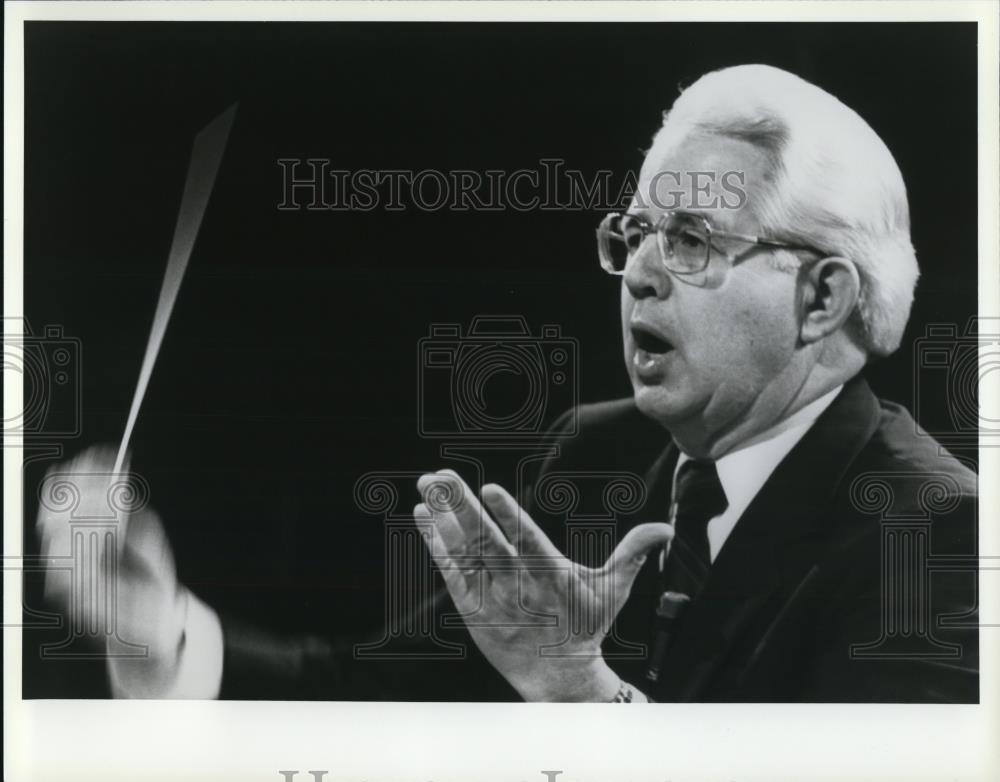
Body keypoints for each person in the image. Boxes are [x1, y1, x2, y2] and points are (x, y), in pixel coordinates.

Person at [35, 64, 978, 702]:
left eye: (690, 239)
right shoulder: (596, 453)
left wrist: (583, 695)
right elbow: (395, 695)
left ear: (822, 297)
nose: (641, 272)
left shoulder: (941, 537)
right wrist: (160, 634)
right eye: (636, 234)